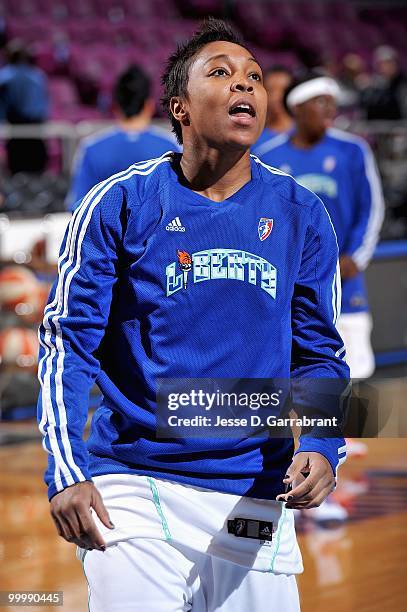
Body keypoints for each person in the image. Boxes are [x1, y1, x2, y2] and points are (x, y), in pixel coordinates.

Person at [37, 20, 349, 611]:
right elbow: (67, 343)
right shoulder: (120, 203)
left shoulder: (302, 213)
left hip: (257, 489)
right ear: (178, 106)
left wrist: (325, 446)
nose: (246, 87)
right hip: (135, 479)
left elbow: (321, 353)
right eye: (222, 73)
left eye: (255, 77)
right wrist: (66, 468)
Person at [257, 73, 384, 379]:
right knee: (296, 381)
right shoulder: (267, 157)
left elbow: (372, 208)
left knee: (354, 377)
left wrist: (356, 257)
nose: (331, 110)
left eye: (333, 102)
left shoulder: (353, 150)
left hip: (345, 281)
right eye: (321, 101)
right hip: (289, 289)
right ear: (297, 106)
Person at [66, 63, 180, 210]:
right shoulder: (170, 147)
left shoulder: (91, 148)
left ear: (115, 105)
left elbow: (77, 205)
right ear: (149, 105)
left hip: (108, 232)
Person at [0, 40, 49, 174]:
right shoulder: (39, 76)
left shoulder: (5, 76)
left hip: (17, 134)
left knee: (18, 178)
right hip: (36, 134)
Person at [252, 65, 293, 155]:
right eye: (271, 90)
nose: (277, 97)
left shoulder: (307, 134)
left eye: (284, 90)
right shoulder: (252, 139)